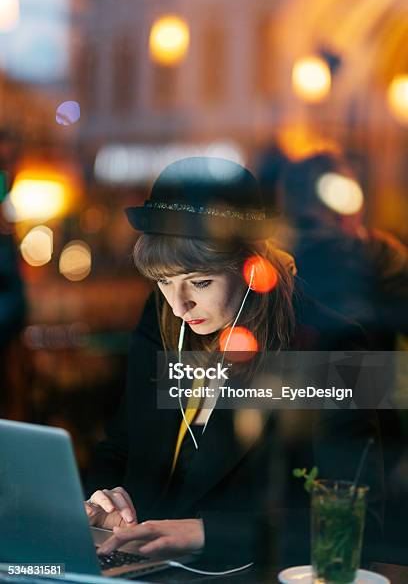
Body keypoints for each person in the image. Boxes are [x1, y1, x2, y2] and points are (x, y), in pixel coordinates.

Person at [85, 157, 383, 568]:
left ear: (252, 267)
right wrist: (101, 498)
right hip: (134, 563)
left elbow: (362, 515)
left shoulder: (334, 343)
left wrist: (206, 532)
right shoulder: (161, 315)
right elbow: (120, 445)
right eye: (163, 281)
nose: (179, 305)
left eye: (201, 281)